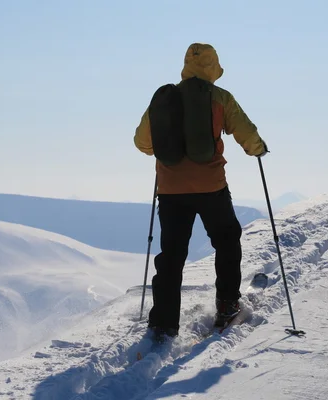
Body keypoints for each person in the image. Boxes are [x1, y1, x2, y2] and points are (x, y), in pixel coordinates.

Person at [133, 43, 268, 341]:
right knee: (227, 240)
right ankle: (227, 306)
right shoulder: (220, 98)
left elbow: (142, 142)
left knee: (172, 255)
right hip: (211, 187)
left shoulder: (165, 98)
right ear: (213, 67)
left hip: (170, 190)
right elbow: (245, 131)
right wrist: (257, 149)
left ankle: (163, 323)